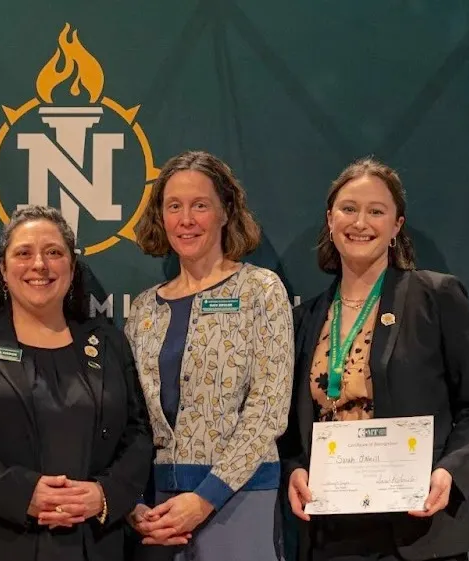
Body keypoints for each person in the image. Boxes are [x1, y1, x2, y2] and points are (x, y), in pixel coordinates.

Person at [279, 157, 469, 560]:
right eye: (348, 209)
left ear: (396, 227)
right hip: (331, 531)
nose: (360, 222)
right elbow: (294, 431)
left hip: (418, 527)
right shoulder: (305, 319)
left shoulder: (435, 297)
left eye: (376, 211)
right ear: (330, 220)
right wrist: (295, 468)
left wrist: (449, 472)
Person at [0, 205, 153, 561]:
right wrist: (21, 493)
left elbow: (138, 434)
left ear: (72, 267)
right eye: (23, 253)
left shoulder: (108, 343)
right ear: (2, 268)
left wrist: (105, 495)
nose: (39, 265)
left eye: (54, 252)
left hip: (93, 543)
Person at [123, 150, 294, 560]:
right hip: (158, 510)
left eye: (200, 205)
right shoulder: (144, 308)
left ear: (225, 212)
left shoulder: (260, 291)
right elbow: (127, 417)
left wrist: (205, 497)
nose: (186, 219)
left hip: (238, 498)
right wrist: (133, 503)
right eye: (174, 206)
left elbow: (268, 410)